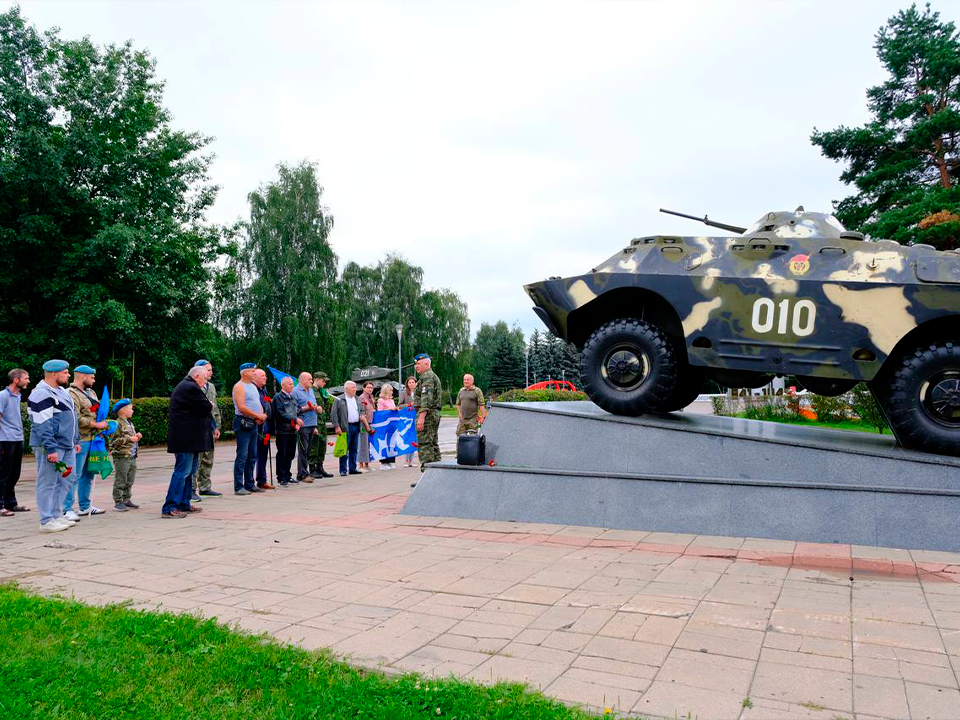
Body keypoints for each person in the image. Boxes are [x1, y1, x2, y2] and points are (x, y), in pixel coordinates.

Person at [28, 360, 79, 533]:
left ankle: (57, 515)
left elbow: (71, 418)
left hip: (67, 445)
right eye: (65, 372)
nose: (68, 375)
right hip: (52, 446)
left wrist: (75, 441)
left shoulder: (61, 392)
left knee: (65, 480)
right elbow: (42, 424)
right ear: (54, 374)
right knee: (47, 482)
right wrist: (50, 448)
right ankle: (46, 520)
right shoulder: (41, 393)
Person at [164, 366, 215, 518]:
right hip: (185, 439)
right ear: (197, 375)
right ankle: (169, 507)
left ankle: (183, 503)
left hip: (190, 439)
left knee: (189, 472)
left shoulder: (189, 386)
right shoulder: (190, 387)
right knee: (182, 472)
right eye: (205, 379)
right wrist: (209, 405)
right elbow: (206, 407)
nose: (205, 383)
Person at [64, 365, 107, 518]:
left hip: (93, 439)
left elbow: (97, 411)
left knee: (88, 474)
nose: (94, 380)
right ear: (82, 376)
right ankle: (67, 509)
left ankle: (85, 506)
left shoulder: (91, 392)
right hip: (80, 440)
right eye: (92, 377)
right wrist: (95, 424)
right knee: (73, 475)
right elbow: (74, 417)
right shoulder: (71, 393)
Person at [232, 363, 266, 495]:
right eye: (253, 371)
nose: (254, 373)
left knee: (252, 455)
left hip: (254, 422)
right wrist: (258, 415)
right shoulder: (239, 386)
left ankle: (249, 483)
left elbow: (258, 403)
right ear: (245, 373)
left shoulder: (252, 386)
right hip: (243, 422)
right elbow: (241, 407)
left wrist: (260, 415)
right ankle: (238, 486)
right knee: (242, 455)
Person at [0, 369, 30, 516]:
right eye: (26, 378)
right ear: (16, 380)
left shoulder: (18, 396)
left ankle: (11, 504)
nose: (28, 381)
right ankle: (0, 506)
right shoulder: (3, 396)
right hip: (6, 440)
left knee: (14, 474)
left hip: (18, 439)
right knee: (3, 474)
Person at [191, 360, 222, 499]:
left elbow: (214, 409)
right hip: (197, 428)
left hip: (210, 427)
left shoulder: (211, 387)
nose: (211, 372)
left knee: (208, 459)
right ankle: (191, 489)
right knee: (196, 460)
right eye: (208, 370)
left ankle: (205, 487)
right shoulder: (193, 386)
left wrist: (217, 426)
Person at [330, 380, 373, 477]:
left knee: (354, 448)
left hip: (356, 426)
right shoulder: (339, 399)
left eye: (355, 387)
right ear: (346, 389)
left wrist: (362, 416)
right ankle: (343, 469)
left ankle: (352, 468)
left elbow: (361, 410)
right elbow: (334, 414)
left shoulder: (357, 399)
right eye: (353, 387)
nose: (355, 389)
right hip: (345, 427)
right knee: (344, 449)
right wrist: (337, 426)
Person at [412, 353, 442, 486]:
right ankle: (438, 475)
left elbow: (426, 398)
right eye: (415, 364)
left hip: (427, 415)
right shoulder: (428, 376)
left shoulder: (427, 377)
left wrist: (421, 417)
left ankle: (427, 478)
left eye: (418, 364)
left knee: (425, 445)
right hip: (432, 414)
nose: (416, 366)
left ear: (426, 364)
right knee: (432, 444)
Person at [109, 398, 141, 511]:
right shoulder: (116, 424)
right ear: (123, 411)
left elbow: (131, 438)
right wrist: (129, 439)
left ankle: (126, 499)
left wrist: (136, 436)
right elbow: (113, 442)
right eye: (131, 409)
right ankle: (118, 501)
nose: (132, 411)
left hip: (131, 456)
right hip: (122, 456)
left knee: (130, 479)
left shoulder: (129, 423)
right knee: (121, 479)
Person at [272, 376, 302, 487]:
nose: (292, 386)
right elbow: (281, 414)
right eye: (289, 384)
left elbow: (296, 411)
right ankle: (281, 477)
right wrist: (295, 420)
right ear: (283, 385)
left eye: (292, 384)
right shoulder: (278, 397)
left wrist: (297, 423)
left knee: (291, 454)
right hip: (282, 430)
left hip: (292, 430)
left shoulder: (293, 397)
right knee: (282, 454)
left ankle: (288, 475)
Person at [292, 372, 319, 484]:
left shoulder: (311, 390)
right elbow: (294, 410)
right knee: (303, 450)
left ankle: (302, 473)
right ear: (302, 380)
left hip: (312, 423)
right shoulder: (295, 392)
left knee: (308, 450)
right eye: (309, 379)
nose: (312, 381)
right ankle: (303, 474)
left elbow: (313, 404)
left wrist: (317, 408)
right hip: (303, 425)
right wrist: (306, 408)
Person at [308, 371, 333, 478]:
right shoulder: (310, 391)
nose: (324, 383)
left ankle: (320, 467)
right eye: (323, 381)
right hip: (315, 422)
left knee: (322, 446)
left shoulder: (321, 391)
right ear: (316, 380)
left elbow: (327, 405)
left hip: (322, 422)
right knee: (314, 446)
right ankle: (312, 469)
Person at [253, 368, 275, 490]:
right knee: (253, 454)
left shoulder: (264, 390)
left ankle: (262, 480)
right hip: (256, 427)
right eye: (263, 376)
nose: (265, 378)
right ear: (254, 377)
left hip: (266, 428)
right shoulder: (252, 389)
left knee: (263, 454)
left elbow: (267, 404)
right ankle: (249, 481)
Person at [376, 383, 397, 470]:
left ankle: (391, 461)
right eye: (390, 390)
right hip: (384, 425)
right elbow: (379, 412)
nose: (392, 392)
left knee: (392, 442)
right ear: (386, 391)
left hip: (392, 425)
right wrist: (389, 409)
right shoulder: (381, 401)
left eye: (392, 390)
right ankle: (383, 462)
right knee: (384, 442)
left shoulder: (392, 401)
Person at [398, 376, 417, 467]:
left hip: (416, 418)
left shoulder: (419, 393)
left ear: (416, 383)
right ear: (407, 384)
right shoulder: (404, 393)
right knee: (407, 439)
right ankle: (406, 460)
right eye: (409, 382)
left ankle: (411, 461)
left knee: (414, 439)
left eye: (413, 382)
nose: (411, 384)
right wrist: (409, 405)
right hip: (407, 419)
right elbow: (400, 405)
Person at [358, 381, 375, 471]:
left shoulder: (370, 398)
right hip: (363, 424)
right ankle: (360, 465)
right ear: (364, 388)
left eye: (371, 388)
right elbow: (361, 414)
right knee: (362, 445)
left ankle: (367, 465)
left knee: (368, 445)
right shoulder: (361, 398)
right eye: (368, 387)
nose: (370, 389)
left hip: (370, 423)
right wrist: (367, 426)